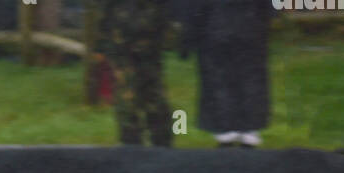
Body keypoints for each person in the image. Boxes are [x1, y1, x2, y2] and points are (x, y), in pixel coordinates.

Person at [182, 0, 274, 148]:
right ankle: (247, 130)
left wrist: (188, 36)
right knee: (248, 79)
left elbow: (195, 7)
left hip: (217, 30)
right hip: (248, 29)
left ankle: (228, 131)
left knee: (220, 81)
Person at [100, 0, 173, 147]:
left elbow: (164, 16)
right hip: (124, 50)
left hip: (150, 51)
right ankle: (131, 143)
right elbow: (105, 19)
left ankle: (162, 141)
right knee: (128, 99)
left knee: (155, 99)